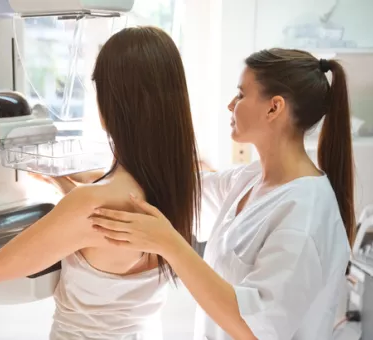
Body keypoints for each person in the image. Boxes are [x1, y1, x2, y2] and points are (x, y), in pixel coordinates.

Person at [0, 26, 202, 340]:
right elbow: (108, 239)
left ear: (112, 105)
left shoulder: (91, 204)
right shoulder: (176, 186)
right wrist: (62, 183)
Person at [91, 48, 354, 340]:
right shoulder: (253, 179)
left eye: (241, 95)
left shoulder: (304, 216)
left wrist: (171, 245)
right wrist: (82, 179)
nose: (231, 105)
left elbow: (254, 330)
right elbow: (187, 192)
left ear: (274, 108)